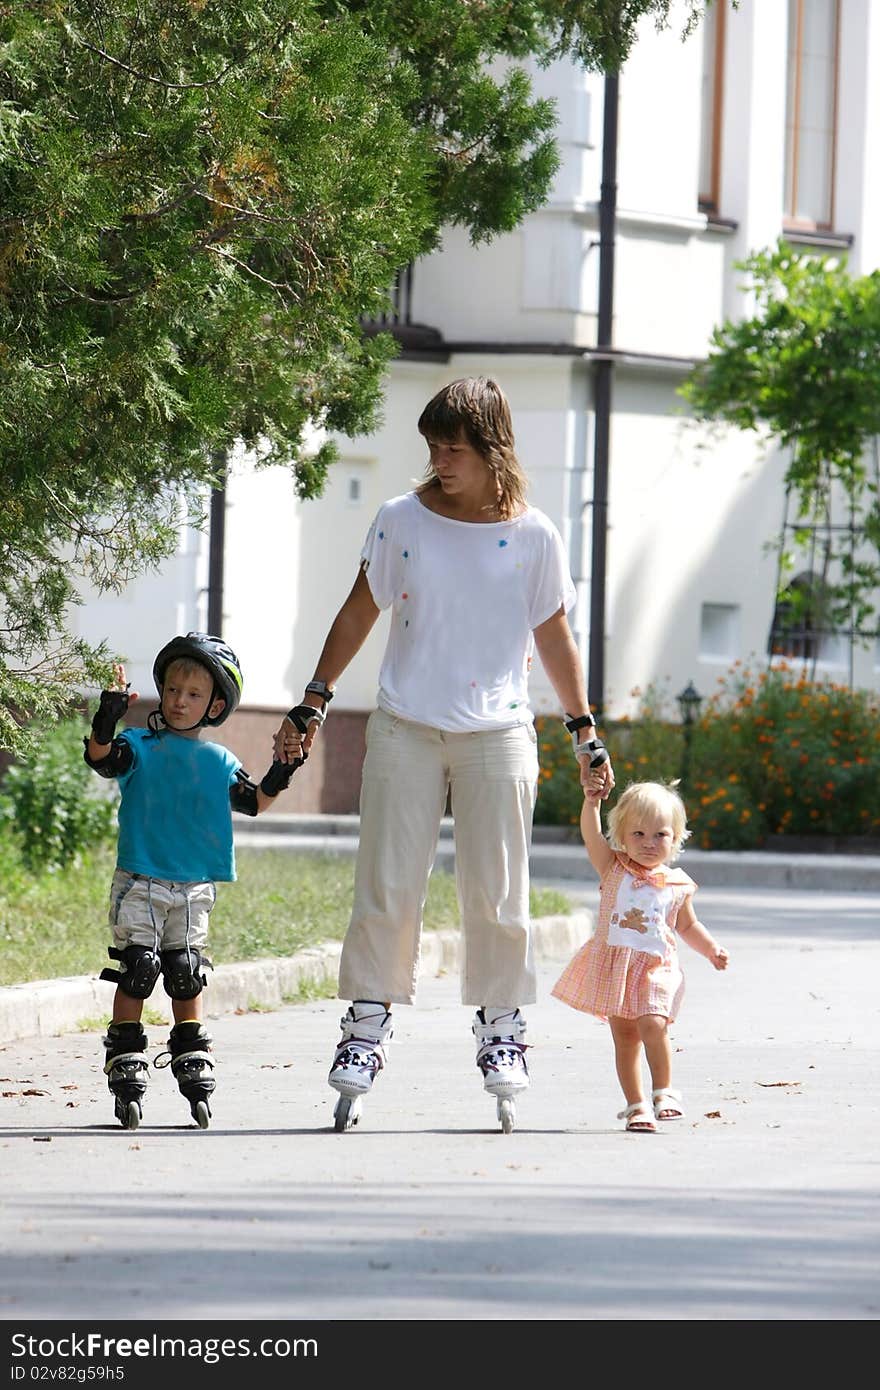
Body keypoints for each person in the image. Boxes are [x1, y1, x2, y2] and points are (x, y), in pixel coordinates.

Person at [274, 376, 613, 1133]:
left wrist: (584, 729)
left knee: (499, 892)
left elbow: (553, 635)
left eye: (452, 448)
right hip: (405, 726)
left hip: (498, 732)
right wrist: (315, 696)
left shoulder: (534, 536)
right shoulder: (404, 521)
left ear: (493, 450)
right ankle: (365, 1029)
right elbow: (361, 608)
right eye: (432, 446)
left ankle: (501, 1030)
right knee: (388, 885)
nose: (438, 460)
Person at [84, 631, 308, 1131]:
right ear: (160, 692)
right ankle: (124, 1052)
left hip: (194, 886)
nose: (180, 702)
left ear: (216, 705)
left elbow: (254, 802)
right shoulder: (138, 745)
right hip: (140, 878)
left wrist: (284, 767)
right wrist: (109, 715)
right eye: (172, 691)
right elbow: (100, 759)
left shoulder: (218, 761)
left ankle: (192, 1051)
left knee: (185, 971)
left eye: (194, 695)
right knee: (138, 968)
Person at [552, 779, 729, 1133]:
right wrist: (591, 803)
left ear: (676, 837)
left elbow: (688, 925)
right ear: (621, 835)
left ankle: (664, 1092)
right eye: (638, 834)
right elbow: (591, 836)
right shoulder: (613, 868)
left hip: (656, 967)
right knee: (626, 1037)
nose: (649, 843)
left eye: (660, 835)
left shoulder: (677, 884)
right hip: (616, 967)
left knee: (653, 1023)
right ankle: (636, 1106)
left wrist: (711, 949)